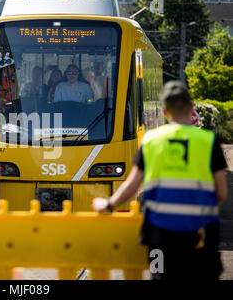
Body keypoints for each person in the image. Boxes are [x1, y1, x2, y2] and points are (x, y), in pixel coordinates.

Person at [92, 81, 228, 280]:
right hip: (201, 236)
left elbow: (131, 187)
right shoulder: (209, 142)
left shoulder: (151, 141)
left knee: (161, 276)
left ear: (164, 111)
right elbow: (221, 194)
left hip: (160, 237)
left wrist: (108, 204)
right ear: (191, 109)